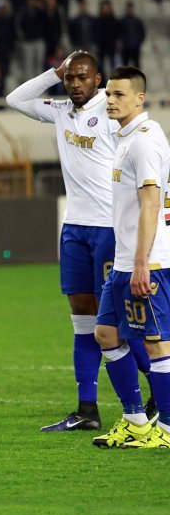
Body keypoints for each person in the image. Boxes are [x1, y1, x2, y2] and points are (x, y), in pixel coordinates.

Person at [6, 51, 155, 432]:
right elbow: (15, 100)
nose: (74, 83)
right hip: (74, 228)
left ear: (98, 80)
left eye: (82, 77)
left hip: (108, 230)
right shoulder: (59, 111)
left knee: (121, 321)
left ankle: (157, 397)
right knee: (82, 320)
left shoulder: (109, 113)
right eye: (70, 77)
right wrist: (51, 73)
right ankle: (87, 410)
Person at [91, 66, 170, 449]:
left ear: (140, 98)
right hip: (125, 261)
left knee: (157, 345)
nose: (110, 101)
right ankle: (137, 421)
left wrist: (141, 263)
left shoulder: (143, 141)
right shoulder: (124, 138)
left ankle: (167, 430)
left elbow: (151, 203)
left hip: (148, 261)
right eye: (108, 94)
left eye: (119, 95)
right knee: (105, 333)